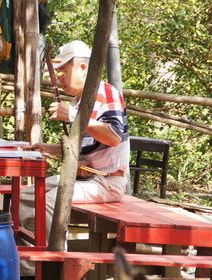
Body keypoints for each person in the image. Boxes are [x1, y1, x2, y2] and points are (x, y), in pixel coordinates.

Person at [19, 40, 130, 246]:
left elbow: (113, 136)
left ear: (83, 67)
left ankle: (58, 259)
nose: (59, 77)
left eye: (64, 70)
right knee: (26, 197)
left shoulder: (105, 92)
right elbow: (81, 149)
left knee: (52, 200)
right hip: (86, 179)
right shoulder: (78, 102)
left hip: (107, 183)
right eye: (57, 72)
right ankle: (29, 266)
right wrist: (47, 148)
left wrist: (72, 115)